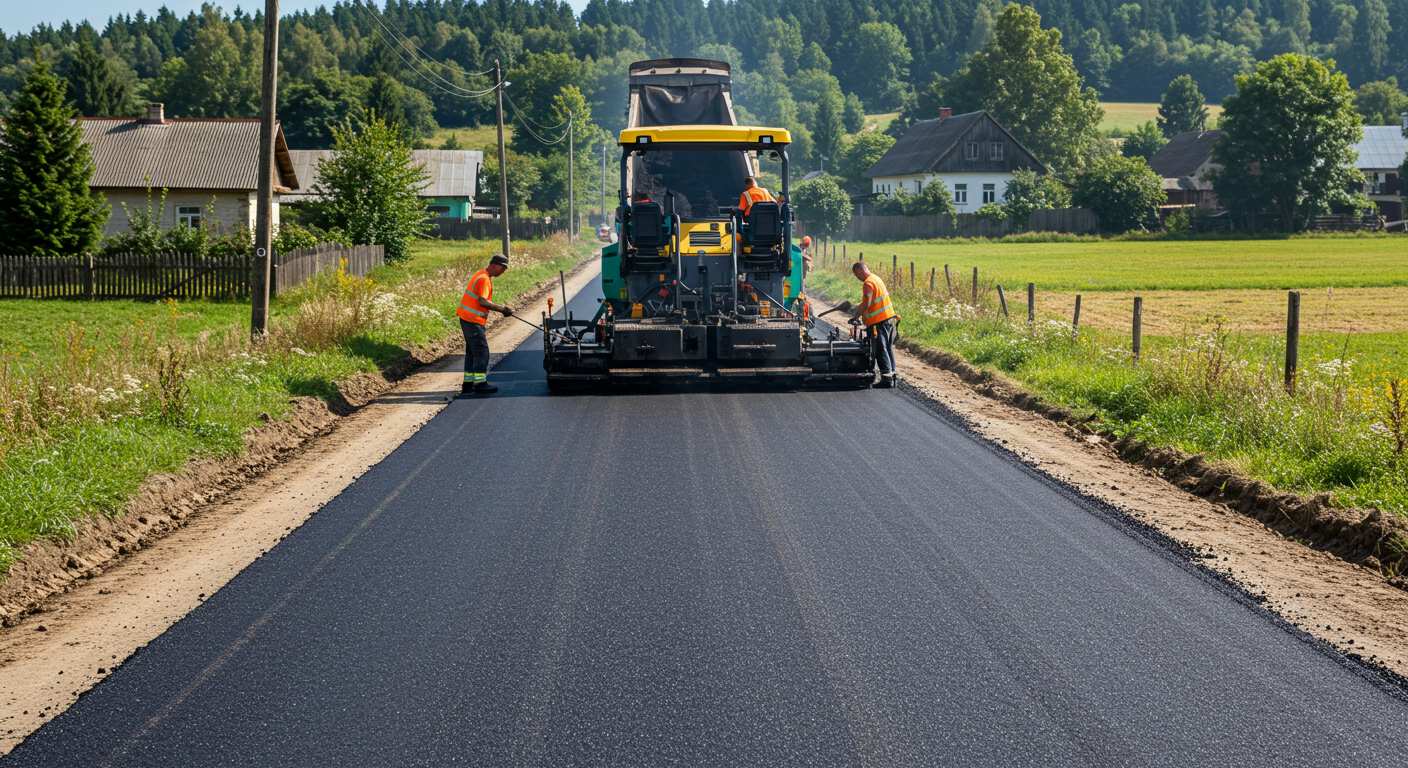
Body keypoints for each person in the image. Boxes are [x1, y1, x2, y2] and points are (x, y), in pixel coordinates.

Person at [456, 254, 514, 396]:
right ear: (494, 265)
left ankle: (468, 384)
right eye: (502, 268)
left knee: (472, 353)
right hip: (472, 320)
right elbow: (483, 301)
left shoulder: (481, 274)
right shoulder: (483, 279)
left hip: (467, 319)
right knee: (482, 352)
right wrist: (503, 309)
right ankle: (480, 384)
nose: (503, 271)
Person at [851, 261, 899, 388]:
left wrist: (856, 316)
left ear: (860, 270)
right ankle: (892, 376)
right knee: (888, 348)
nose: (857, 278)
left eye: (856, 275)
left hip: (878, 322)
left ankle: (886, 379)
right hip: (889, 319)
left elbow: (867, 303)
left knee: (880, 349)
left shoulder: (868, 283)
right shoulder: (876, 279)